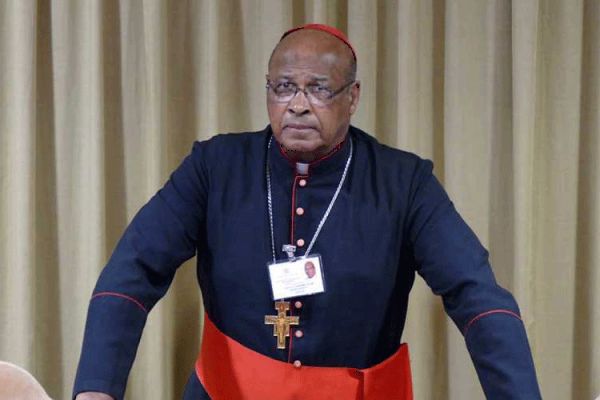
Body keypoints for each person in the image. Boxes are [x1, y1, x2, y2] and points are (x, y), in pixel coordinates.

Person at [73, 24, 542, 399]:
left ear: (352, 97)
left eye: (318, 89)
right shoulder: (215, 168)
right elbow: (133, 268)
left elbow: (476, 293)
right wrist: (96, 388)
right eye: (283, 87)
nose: (297, 105)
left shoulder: (404, 183)